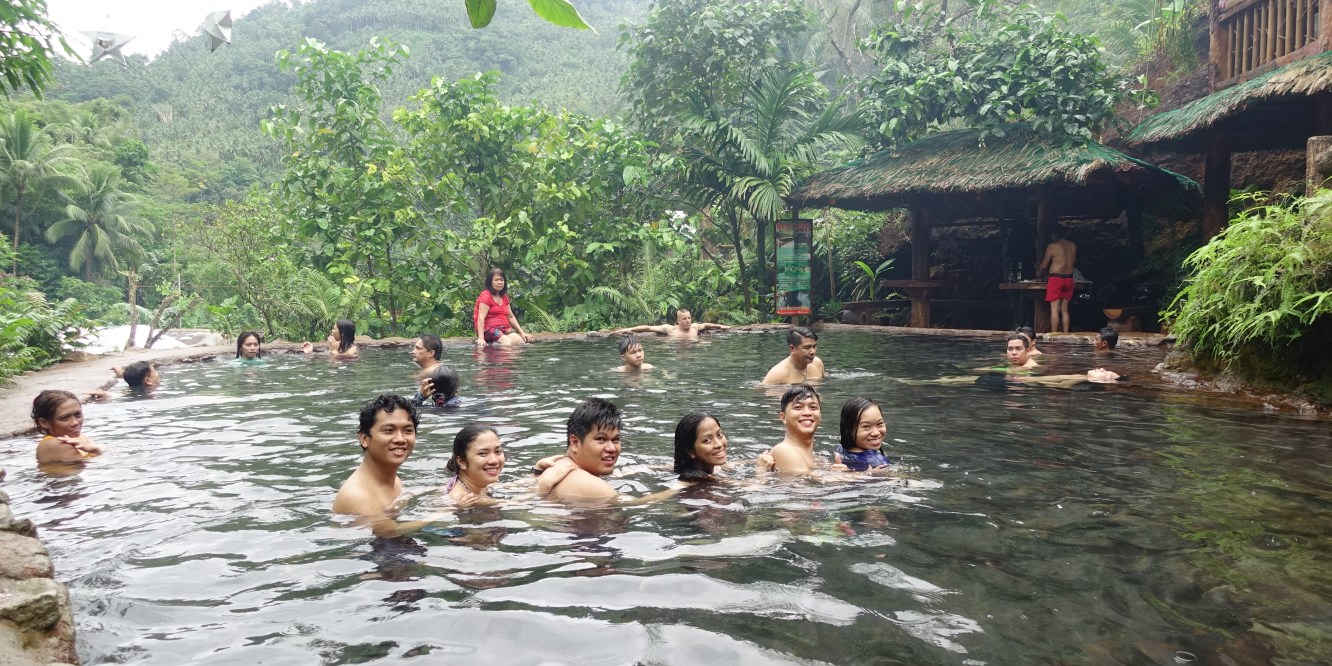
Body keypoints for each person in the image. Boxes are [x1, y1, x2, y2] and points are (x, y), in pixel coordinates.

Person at [332, 394, 418, 517]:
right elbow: (388, 533)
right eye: (389, 430)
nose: (400, 439)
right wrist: (443, 511)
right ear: (364, 439)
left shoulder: (396, 482)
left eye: (408, 430)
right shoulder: (357, 497)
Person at [536, 398, 624, 502]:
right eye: (601, 439)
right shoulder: (592, 486)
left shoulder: (550, 470)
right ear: (575, 443)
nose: (612, 448)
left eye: (615, 439)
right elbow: (634, 503)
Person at [759, 384, 823, 475]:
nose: (807, 413)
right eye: (798, 407)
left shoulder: (817, 458)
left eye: (813, 407)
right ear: (783, 417)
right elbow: (812, 482)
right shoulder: (784, 450)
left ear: (820, 416)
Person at [32, 390, 104, 463]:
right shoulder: (57, 444)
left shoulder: (78, 438)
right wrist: (97, 450)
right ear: (44, 423)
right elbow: (91, 468)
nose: (75, 422)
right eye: (64, 418)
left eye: (78, 414)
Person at [444, 424, 505, 507]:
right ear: (461, 462)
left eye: (498, 451)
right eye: (482, 453)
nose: (494, 460)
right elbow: (427, 519)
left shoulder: (477, 484)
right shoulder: (459, 499)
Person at [474, 268, 535, 346]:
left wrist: (522, 333)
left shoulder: (504, 297)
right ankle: (501, 358)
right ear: (490, 282)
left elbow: (511, 317)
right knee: (507, 342)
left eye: (501, 280)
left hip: (504, 329)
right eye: (496, 280)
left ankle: (510, 358)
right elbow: (481, 317)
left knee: (519, 341)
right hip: (488, 330)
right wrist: (481, 338)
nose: (499, 282)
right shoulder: (486, 296)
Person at [1037, 225, 1078, 333]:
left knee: (1054, 310)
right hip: (1069, 279)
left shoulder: (1052, 246)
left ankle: (1054, 335)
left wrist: (1039, 274)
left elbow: (1044, 265)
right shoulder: (1073, 246)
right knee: (1064, 310)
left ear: (1055, 234)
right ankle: (1065, 334)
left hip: (1056, 279)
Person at [833, 397, 891, 471]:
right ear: (849, 430)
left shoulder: (841, 449)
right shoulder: (878, 461)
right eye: (866, 426)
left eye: (879, 424)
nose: (876, 433)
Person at [673, 412, 729, 480]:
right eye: (707, 440)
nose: (719, 444)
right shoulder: (691, 481)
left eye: (719, 434)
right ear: (690, 451)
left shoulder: (716, 468)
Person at [613, 308, 730, 339]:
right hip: (676, 351)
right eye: (684, 319)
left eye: (689, 318)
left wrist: (720, 326)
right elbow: (648, 328)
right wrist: (629, 329)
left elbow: (705, 325)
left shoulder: (694, 327)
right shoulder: (670, 329)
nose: (688, 320)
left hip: (693, 353)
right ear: (678, 320)